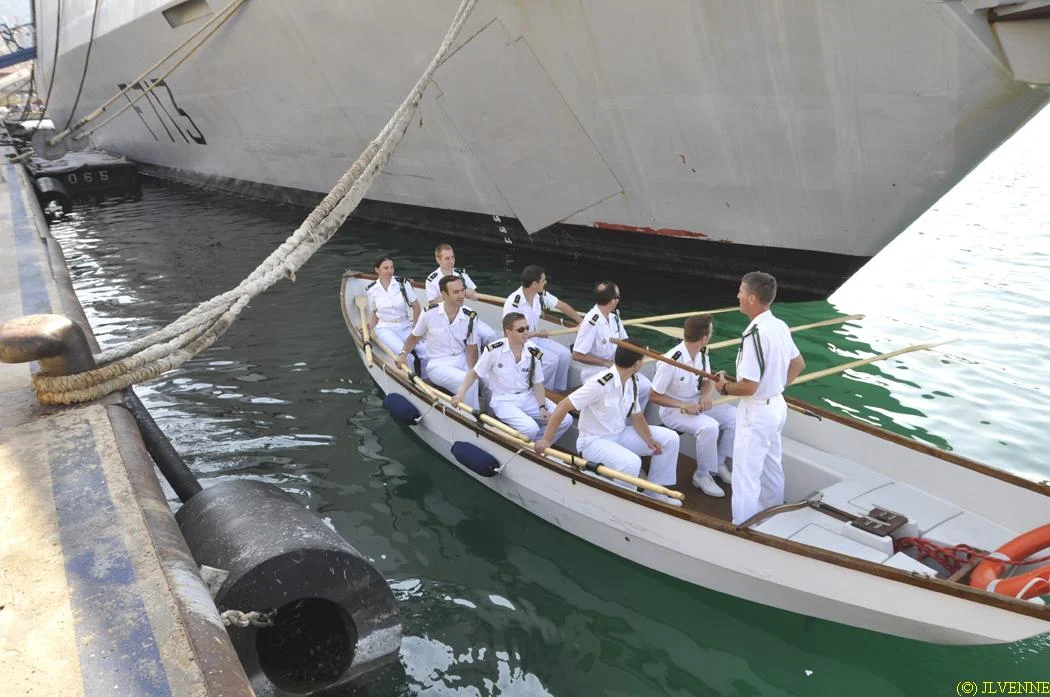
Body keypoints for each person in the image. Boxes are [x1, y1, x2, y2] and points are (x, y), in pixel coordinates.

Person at [535, 341, 681, 507]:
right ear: (637, 364)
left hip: (619, 434)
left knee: (670, 439)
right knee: (631, 463)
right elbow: (563, 406)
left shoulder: (632, 381)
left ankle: (654, 493)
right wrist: (546, 440)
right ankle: (622, 504)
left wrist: (649, 439)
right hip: (593, 441)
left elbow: (636, 414)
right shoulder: (600, 384)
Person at [714, 272, 805, 525]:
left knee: (746, 475)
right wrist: (775, 385)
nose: (738, 296)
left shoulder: (754, 335)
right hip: (777, 405)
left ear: (752, 298)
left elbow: (748, 387)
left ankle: (742, 528)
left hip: (757, 412)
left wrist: (724, 387)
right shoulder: (779, 326)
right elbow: (798, 364)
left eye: (741, 292)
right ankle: (772, 519)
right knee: (771, 466)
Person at [649, 314, 736, 498]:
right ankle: (702, 475)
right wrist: (683, 405)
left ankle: (718, 463)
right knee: (709, 427)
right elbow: (654, 395)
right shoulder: (671, 360)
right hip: (673, 411)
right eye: (711, 333)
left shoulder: (702, 355)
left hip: (695, 402)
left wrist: (705, 395)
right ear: (704, 338)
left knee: (735, 417)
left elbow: (707, 381)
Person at [452, 312, 572, 442]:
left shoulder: (533, 351)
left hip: (527, 396)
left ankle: (538, 444)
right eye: (521, 330)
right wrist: (460, 395)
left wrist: (542, 407)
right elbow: (474, 373)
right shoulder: (494, 351)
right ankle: (530, 448)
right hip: (503, 400)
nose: (526, 332)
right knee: (530, 428)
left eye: (527, 328)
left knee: (565, 419)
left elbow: (537, 383)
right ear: (508, 332)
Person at [399, 276, 481, 408]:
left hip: (462, 358)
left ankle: (489, 412)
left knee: (486, 377)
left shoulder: (470, 316)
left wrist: (474, 371)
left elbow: (472, 348)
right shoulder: (429, 313)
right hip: (438, 364)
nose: (461, 295)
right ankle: (474, 418)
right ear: (444, 294)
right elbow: (414, 337)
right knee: (469, 382)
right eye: (456, 292)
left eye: (462, 290)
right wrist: (403, 354)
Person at [572, 280, 651, 410]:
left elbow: (625, 342)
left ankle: (630, 419)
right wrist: (605, 363)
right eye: (618, 297)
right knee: (622, 388)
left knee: (645, 387)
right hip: (596, 371)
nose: (618, 301)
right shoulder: (591, 323)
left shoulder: (614, 318)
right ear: (612, 301)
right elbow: (576, 355)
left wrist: (641, 351)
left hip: (617, 367)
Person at [502, 264, 582, 391]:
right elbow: (510, 334)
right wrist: (535, 333)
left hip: (535, 338)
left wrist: (580, 322)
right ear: (534, 284)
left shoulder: (540, 295)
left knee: (566, 354)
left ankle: (558, 390)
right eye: (543, 280)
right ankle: (541, 391)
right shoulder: (514, 303)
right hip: (521, 343)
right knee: (551, 361)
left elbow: (561, 306)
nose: (546, 283)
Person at [425, 243, 496, 344]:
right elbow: (432, 304)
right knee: (473, 341)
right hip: (445, 318)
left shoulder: (460, 274)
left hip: (463, 313)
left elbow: (475, 297)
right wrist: (451, 295)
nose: (451, 261)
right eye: (447, 258)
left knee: (490, 335)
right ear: (438, 259)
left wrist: (471, 292)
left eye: (452, 257)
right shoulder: (432, 279)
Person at [366, 255, 425, 364]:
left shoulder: (403, 283)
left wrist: (416, 327)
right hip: (386, 328)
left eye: (392, 267)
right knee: (405, 356)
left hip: (405, 325)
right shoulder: (372, 290)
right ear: (377, 270)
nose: (390, 271)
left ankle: (427, 378)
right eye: (386, 268)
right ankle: (410, 379)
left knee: (425, 351)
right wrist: (368, 329)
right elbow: (374, 314)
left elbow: (416, 306)